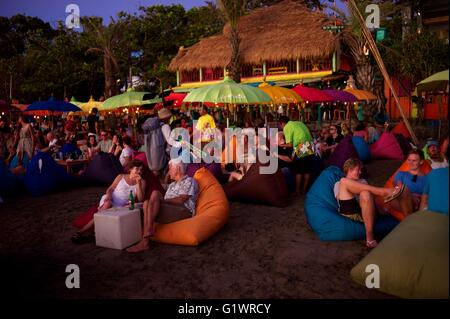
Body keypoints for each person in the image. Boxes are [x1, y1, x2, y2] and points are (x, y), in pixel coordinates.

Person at [127, 158, 199, 252]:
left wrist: (163, 201)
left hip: (183, 210)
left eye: (170, 168)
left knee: (155, 194)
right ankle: (147, 234)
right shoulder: (173, 185)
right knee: (146, 202)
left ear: (177, 168)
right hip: (169, 209)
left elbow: (181, 200)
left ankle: (145, 238)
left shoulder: (189, 180)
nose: (168, 172)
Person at [335, 158, 411, 248]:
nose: (360, 172)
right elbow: (339, 199)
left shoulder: (363, 181)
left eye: (360, 170)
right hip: (350, 210)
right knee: (343, 181)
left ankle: (370, 239)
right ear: (350, 170)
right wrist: (353, 188)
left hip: (365, 212)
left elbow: (370, 199)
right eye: (358, 170)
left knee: (366, 193)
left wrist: (381, 208)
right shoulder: (339, 183)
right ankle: (382, 191)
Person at [71, 159, 146, 243]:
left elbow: (140, 199)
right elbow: (110, 189)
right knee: (107, 205)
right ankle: (80, 232)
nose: (139, 171)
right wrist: (109, 197)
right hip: (111, 199)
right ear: (130, 169)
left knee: (115, 210)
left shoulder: (142, 182)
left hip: (122, 207)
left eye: (141, 169)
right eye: (137, 169)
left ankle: (96, 231)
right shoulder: (121, 176)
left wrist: (138, 183)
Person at [279, 116, 314, 195]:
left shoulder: (287, 127)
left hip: (300, 147)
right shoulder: (300, 123)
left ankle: (297, 191)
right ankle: (304, 190)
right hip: (309, 146)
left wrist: (281, 145)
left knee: (299, 171)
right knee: (307, 170)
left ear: (282, 124)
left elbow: (290, 145)